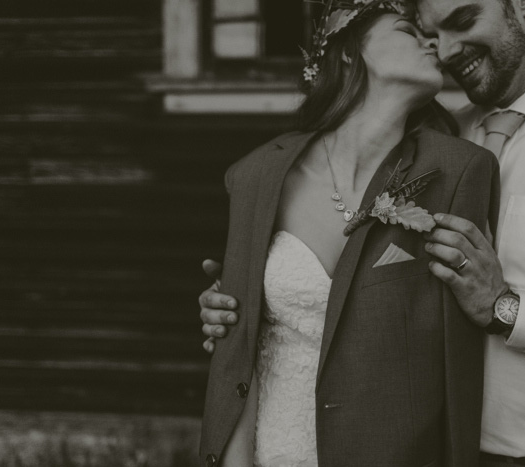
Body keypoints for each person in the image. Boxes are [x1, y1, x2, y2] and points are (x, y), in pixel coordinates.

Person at [200, 0, 525, 466]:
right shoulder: (421, 145)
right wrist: (253, 297)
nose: (447, 48)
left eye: (463, 21)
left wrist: (509, 310)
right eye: (430, 32)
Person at [198, 2, 500, 466]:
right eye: (408, 31)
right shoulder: (256, 175)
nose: (433, 43)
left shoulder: (460, 172)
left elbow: (457, 364)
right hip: (275, 449)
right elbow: (240, 355)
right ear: (346, 53)